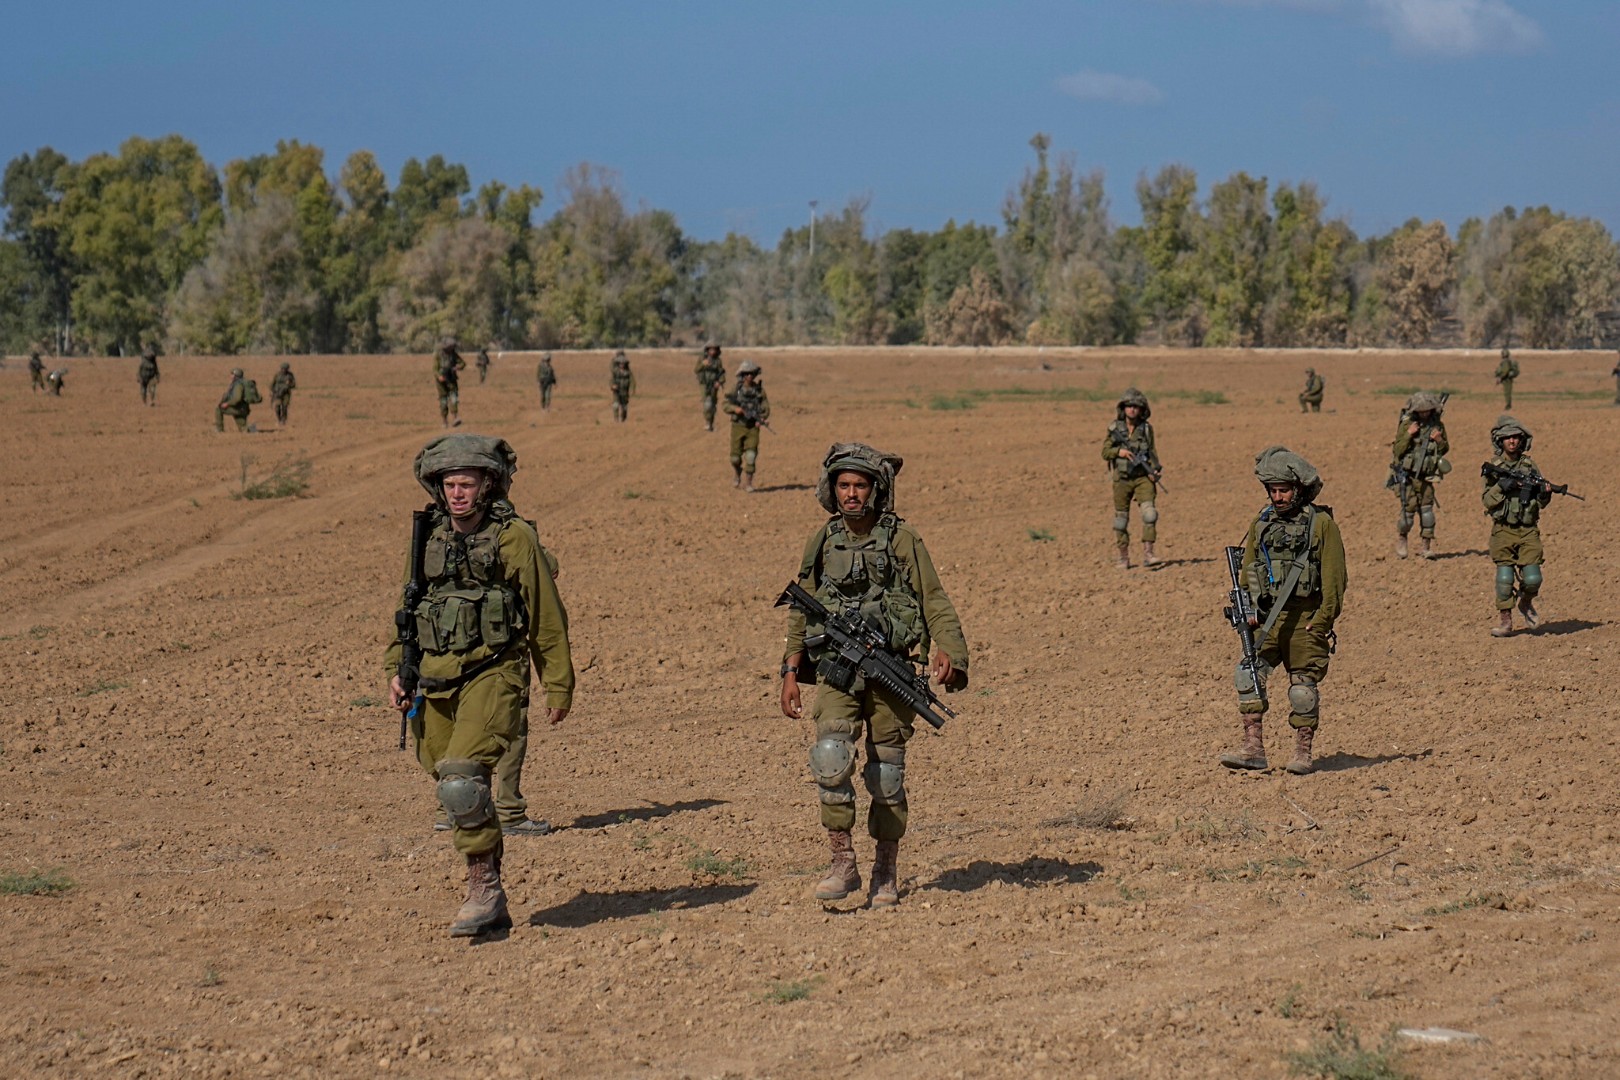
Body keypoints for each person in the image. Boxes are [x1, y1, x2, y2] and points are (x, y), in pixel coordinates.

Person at [386, 434, 575, 936]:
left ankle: (482, 888)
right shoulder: (427, 535)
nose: (457, 493)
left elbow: (546, 615)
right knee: (447, 780)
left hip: (495, 669)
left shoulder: (514, 539)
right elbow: (407, 610)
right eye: (449, 484)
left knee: (461, 781)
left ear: (488, 485)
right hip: (435, 674)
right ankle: (491, 888)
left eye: (467, 483)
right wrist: (398, 671)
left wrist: (557, 684)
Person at [779, 443, 969, 908]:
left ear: (875, 489)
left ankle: (885, 869)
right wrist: (789, 669)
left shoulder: (903, 538)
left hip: (891, 667)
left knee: (886, 773)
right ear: (832, 489)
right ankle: (842, 863)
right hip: (836, 670)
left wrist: (952, 651)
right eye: (843, 485)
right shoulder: (823, 541)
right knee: (829, 756)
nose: (851, 494)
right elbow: (801, 609)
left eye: (860, 485)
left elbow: (933, 597)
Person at [1219, 447, 1347, 776]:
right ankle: (1253, 749)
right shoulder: (1260, 525)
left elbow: (1335, 582)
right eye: (1272, 490)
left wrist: (1320, 623)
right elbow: (1248, 572)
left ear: (1298, 489)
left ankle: (1303, 752)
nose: (1277, 497)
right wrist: (1248, 611)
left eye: (1283, 490)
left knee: (1302, 689)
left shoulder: (1321, 526)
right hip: (1267, 620)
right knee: (1247, 673)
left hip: (1305, 619)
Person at [1482, 415, 1554, 638]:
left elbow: (1541, 502)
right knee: (1504, 580)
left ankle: (1525, 602)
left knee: (1533, 578)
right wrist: (1503, 486)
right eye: (1507, 438)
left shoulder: (1530, 466)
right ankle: (1505, 621)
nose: (1512, 441)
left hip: (1528, 529)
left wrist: (1545, 494)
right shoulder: (1494, 468)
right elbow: (1487, 500)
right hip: (1503, 529)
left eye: (1515, 437)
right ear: (1500, 441)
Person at [1102, 388, 1164, 568]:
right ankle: (1123, 557)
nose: (1132, 410)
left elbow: (1152, 452)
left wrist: (1155, 470)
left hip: (1142, 478)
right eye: (1129, 406)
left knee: (1150, 514)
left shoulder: (1145, 429)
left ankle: (1149, 554)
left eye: (1136, 406)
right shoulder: (1114, 428)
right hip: (1122, 479)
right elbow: (1105, 452)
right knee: (1120, 520)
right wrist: (1119, 452)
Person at [1388, 391, 1450, 559]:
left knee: (1427, 512)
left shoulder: (1437, 426)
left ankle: (1426, 546)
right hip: (1408, 477)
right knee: (1407, 513)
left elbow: (1444, 449)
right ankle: (1402, 539)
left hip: (1426, 477)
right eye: (1421, 410)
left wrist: (1439, 440)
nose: (1424, 413)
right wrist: (1409, 434)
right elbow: (1398, 450)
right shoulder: (1407, 424)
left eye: (1427, 410)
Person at [725, 360, 771, 491]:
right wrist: (736, 409)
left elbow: (765, 407)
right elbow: (725, 404)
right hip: (738, 426)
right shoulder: (736, 390)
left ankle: (749, 483)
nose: (750, 376)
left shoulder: (759, 391)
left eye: (752, 374)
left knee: (751, 456)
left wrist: (762, 418)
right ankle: (737, 472)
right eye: (747, 374)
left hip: (752, 428)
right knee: (735, 457)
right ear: (742, 375)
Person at [435, 337, 466, 428]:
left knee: (454, 399)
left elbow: (463, 363)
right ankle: (444, 421)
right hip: (441, 382)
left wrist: (457, 367)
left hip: (451, 379)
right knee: (443, 401)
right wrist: (439, 376)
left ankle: (455, 418)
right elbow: (435, 369)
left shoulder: (453, 355)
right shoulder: (438, 355)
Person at [695, 345, 726, 431]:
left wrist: (719, 382)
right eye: (711, 350)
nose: (713, 352)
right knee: (707, 404)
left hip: (713, 385)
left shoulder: (718, 361)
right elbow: (696, 370)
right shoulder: (702, 359)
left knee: (712, 404)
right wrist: (702, 364)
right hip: (704, 384)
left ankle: (711, 423)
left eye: (714, 350)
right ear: (707, 350)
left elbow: (721, 373)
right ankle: (707, 422)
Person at [215, 368, 257, 432]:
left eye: (232, 374)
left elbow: (237, 398)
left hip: (238, 409)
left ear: (236, 375)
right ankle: (252, 429)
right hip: (242, 409)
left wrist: (227, 404)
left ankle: (219, 430)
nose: (231, 376)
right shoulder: (241, 383)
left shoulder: (238, 385)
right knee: (243, 429)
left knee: (218, 409)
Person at [609, 351, 635, 422]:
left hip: (625, 392)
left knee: (624, 407)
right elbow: (611, 380)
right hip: (617, 392)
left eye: (623, 363)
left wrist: (632, 391)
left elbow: (632, 382)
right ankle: (616, 419)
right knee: (616, 405)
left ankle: (623, 419)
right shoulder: (615, 371)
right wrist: (612, 386)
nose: (621, 365)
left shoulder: (628, 372)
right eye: (620, 363)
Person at [270, 362, 297, 427]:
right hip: (277, 393)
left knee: (285, 407)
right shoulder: (277, 375)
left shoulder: (290, 375)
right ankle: (278, 419)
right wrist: (273, 391)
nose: (283, 370)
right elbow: (272, 384)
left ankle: (283, 420)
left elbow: (293, 385)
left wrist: (288, 385)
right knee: (277, 407)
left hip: (286, 394)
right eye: (282, 369)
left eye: (285, 369)